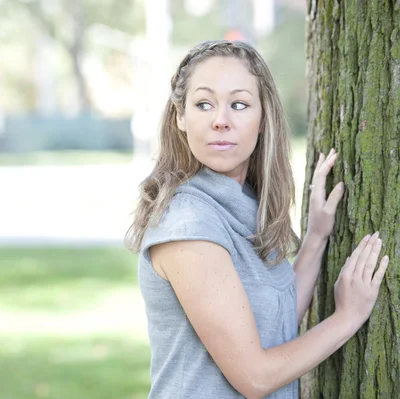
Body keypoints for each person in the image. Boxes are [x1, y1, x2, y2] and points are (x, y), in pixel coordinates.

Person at [124, 40, 389, 399]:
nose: (221, 120)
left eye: (239, 104)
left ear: (263, 117)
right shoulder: (188, 225)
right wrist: (348, 317)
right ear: (180, 117)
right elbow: (255, 377)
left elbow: (272, 326)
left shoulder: (245, 205)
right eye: (204, 104)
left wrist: (316, 237)